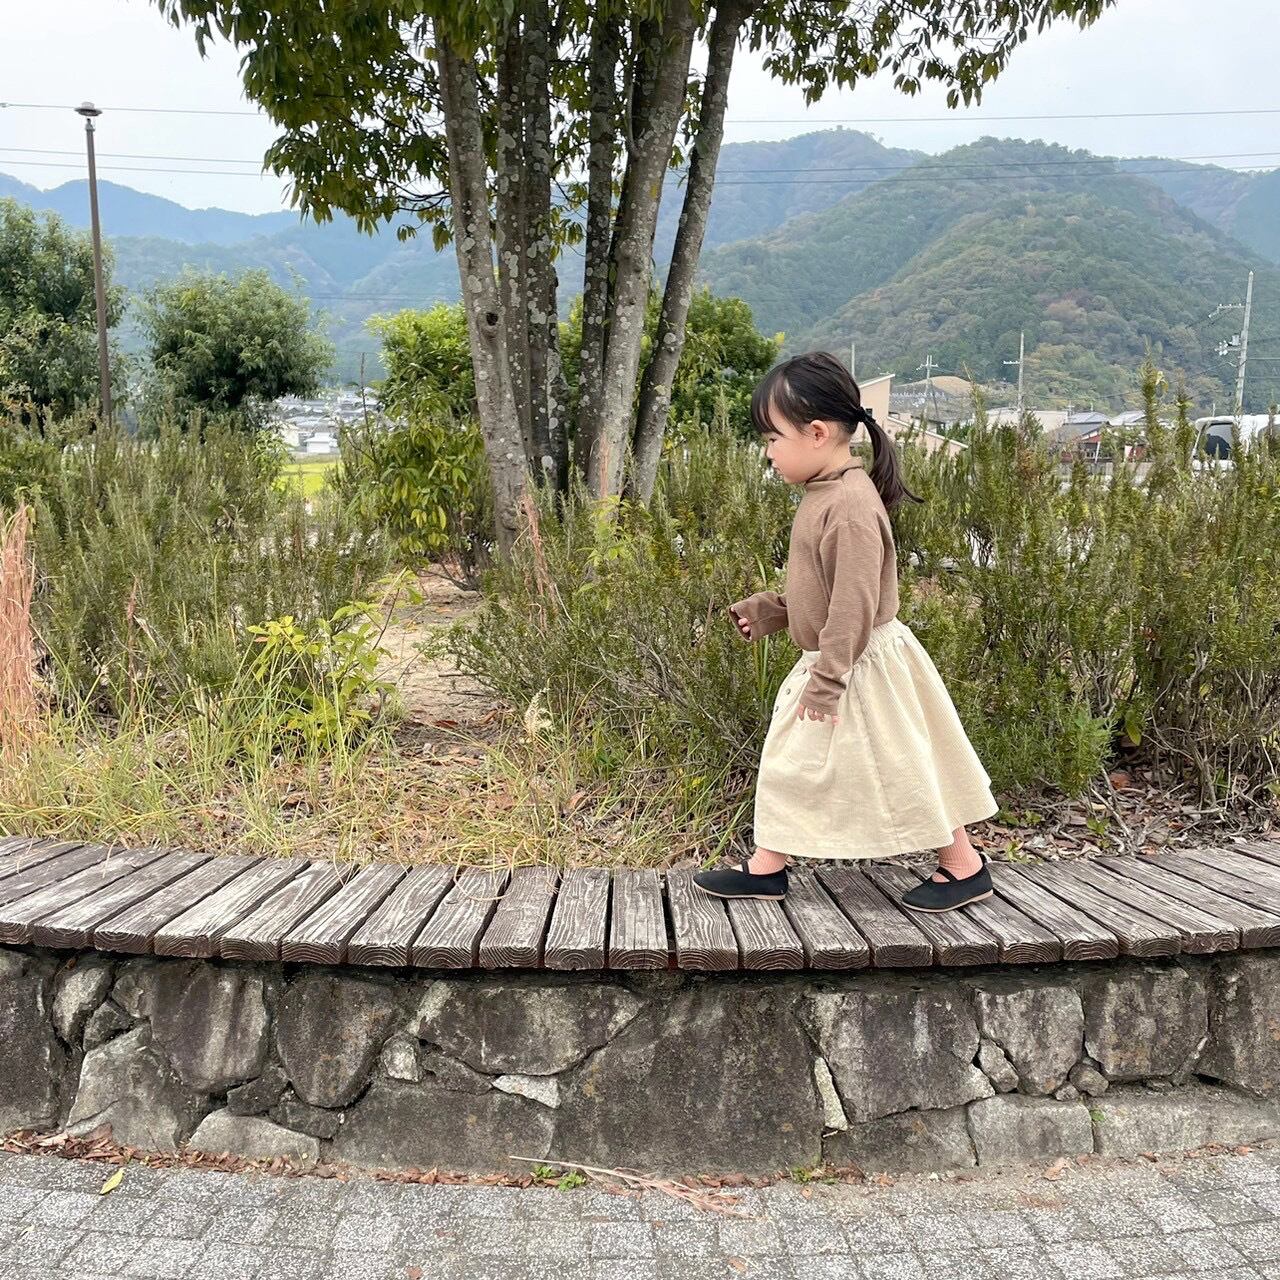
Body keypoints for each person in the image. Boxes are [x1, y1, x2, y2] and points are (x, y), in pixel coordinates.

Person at [692, 352, 999, 913]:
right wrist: (774, 611)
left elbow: (855, 606)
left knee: (899, 764)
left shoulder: (849, 505)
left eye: (772, 438)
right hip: (845, 655)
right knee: (813, 761)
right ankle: (768, 866)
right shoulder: (827, 495)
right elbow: (829, 591)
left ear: (816, 433)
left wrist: (828, 679)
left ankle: (964, 865)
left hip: (856, 662)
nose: (768, 452)